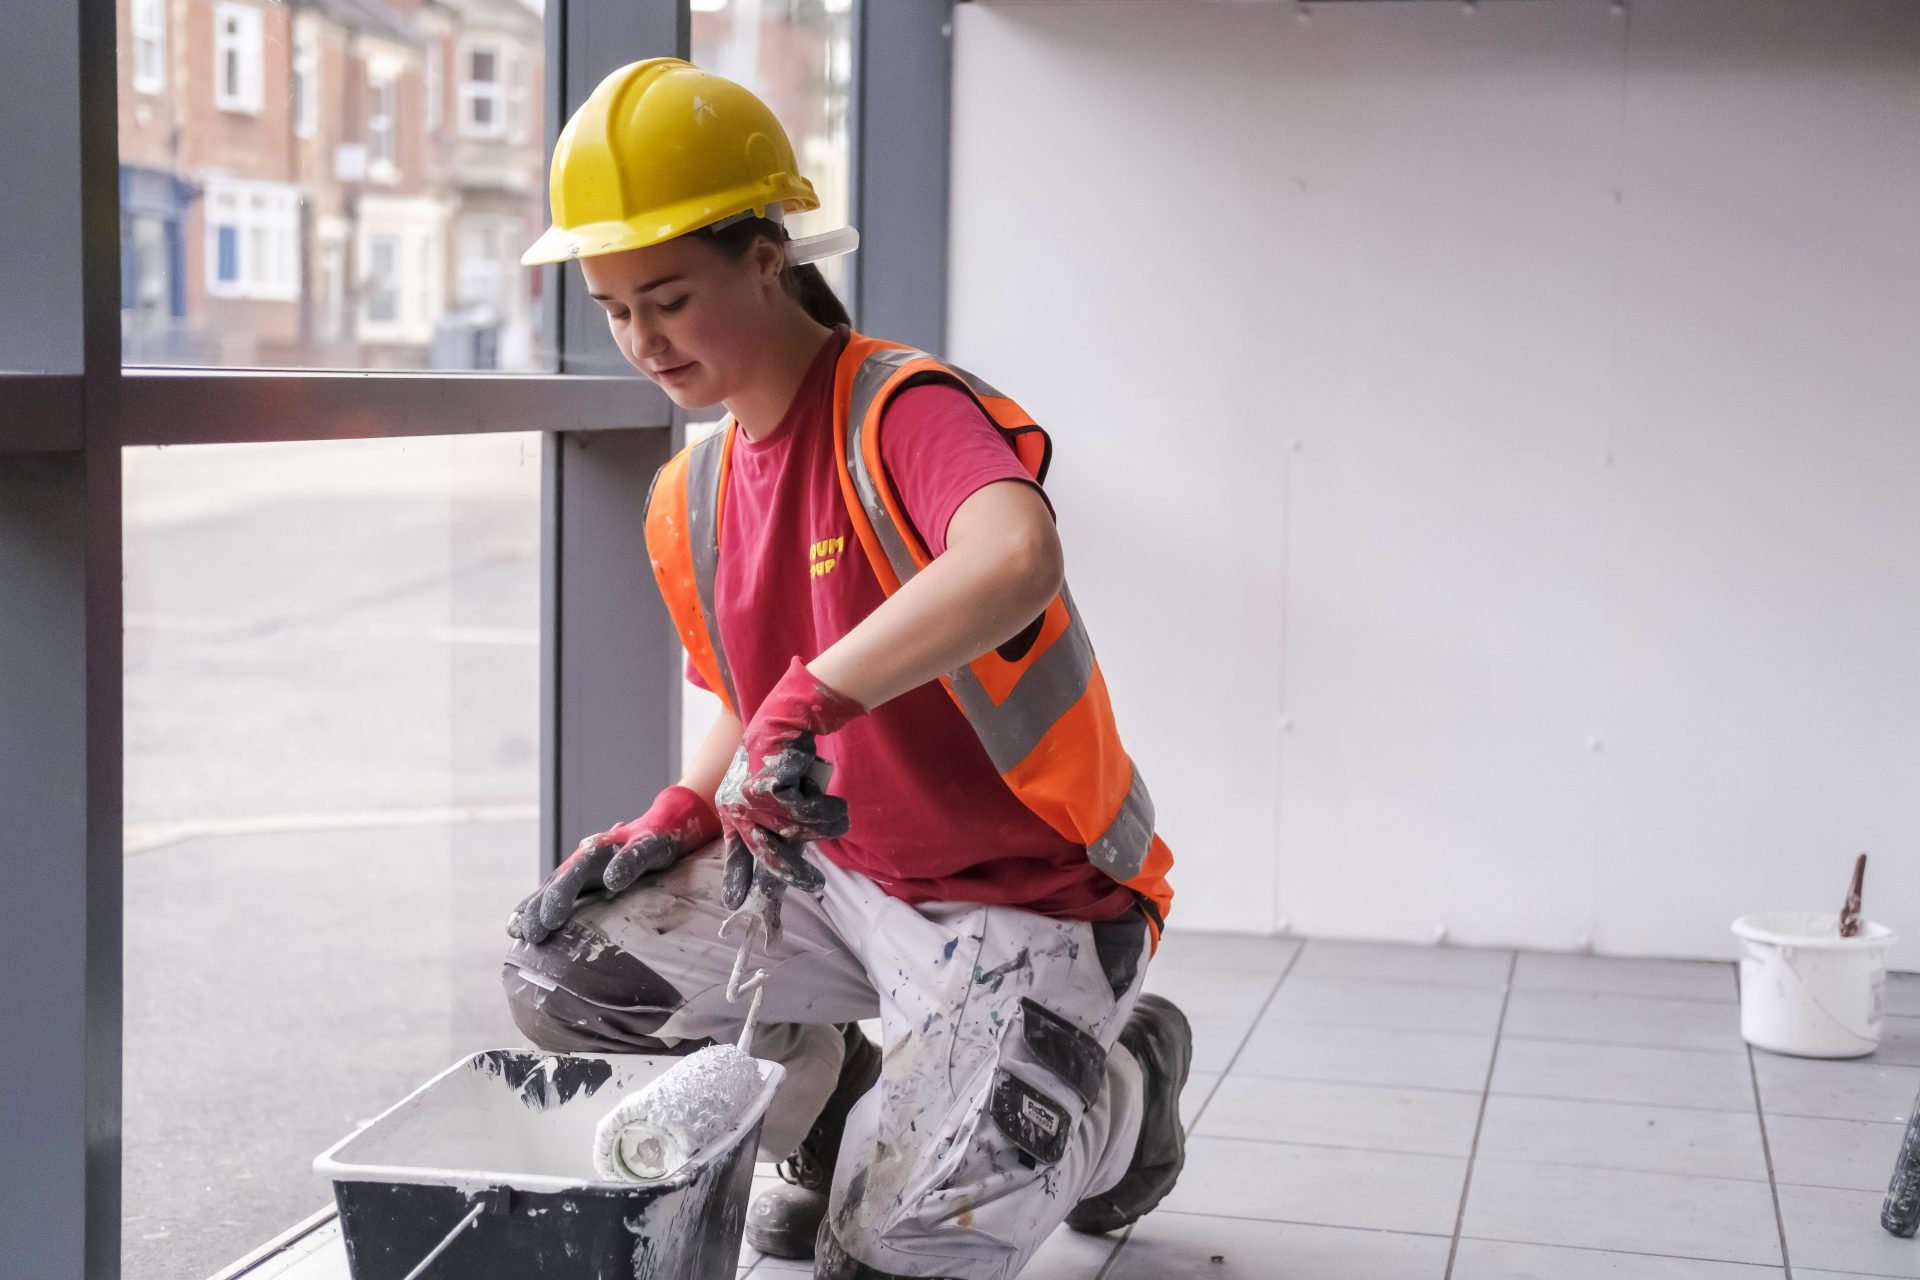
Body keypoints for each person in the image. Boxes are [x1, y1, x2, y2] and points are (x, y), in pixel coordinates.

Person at [502, 58, 1190, 1280]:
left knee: (892, 1253)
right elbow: (741, 687)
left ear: (767, 257)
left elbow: (1015, 550)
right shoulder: (693, 492)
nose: (642, 340)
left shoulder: (898, 406)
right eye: (614, 308)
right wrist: (682, 803)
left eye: (667, 296)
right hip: (835, 882)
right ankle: (834, 1115)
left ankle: (1125, 1089)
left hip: (1025, 897)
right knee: (566, 974)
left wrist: (822, 693)